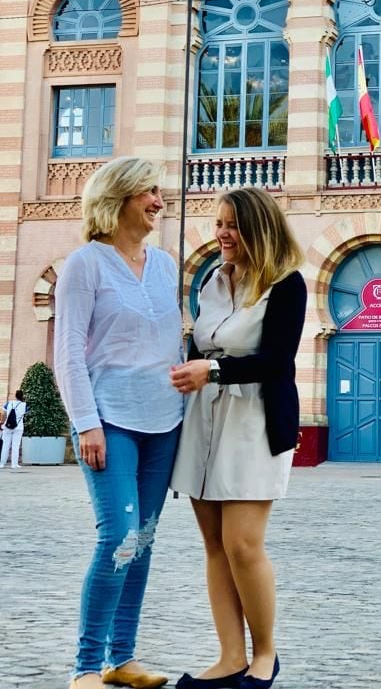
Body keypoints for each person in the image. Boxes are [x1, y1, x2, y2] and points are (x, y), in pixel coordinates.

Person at [54, 157, 184, 689]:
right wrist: (86, 423)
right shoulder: (85, 264)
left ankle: (121, 659)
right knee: (118, 536)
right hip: (110, 420)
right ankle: (86, 665)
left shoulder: (166, 265)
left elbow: (172, 343)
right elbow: (67, 352)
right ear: (119, 198)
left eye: (159, 192)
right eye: (147, 192)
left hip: (164, 422)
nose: (158, 201)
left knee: (144, 539)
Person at [170, 188, 306, 689]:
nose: (222, 233)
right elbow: (200, 342)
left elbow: (276, 361)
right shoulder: (211, 280)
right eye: (219, 223)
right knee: (213, 545)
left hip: (253, 423)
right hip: (203, 422)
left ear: (258, 228)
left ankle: (265, 655)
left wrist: (214, 371)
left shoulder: (286, 284)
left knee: (243, 544)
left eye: (233, 224)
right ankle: (230, 656)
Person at [0, 390, 28, 469]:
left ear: (15, 396)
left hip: (7, 427)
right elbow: (25, 413)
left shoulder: (9, 403)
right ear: (22, 396)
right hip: (18, 427)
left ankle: (2, 463)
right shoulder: (25, 405)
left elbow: (4, 413)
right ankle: (14, 464)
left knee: (5, 445)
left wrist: (3, 424)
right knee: (16, 446)